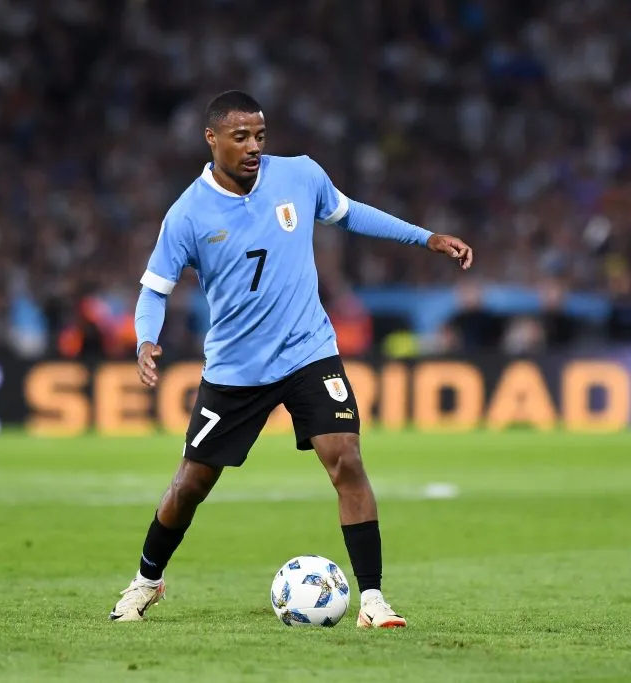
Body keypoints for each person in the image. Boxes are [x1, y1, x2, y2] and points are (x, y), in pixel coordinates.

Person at [110, 91, 473, 628]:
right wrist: (145, 339)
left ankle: (372, 601)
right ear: (212, 139)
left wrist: (426, 238)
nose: (254, 146)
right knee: (190, 484)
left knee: (346, 458)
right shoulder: (187, 213)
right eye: (241, 137)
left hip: (309, 352)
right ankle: (146, 580)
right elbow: (154, 289)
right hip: (237, 369)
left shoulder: (300, 175)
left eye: (260, 135)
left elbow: (352, 215)